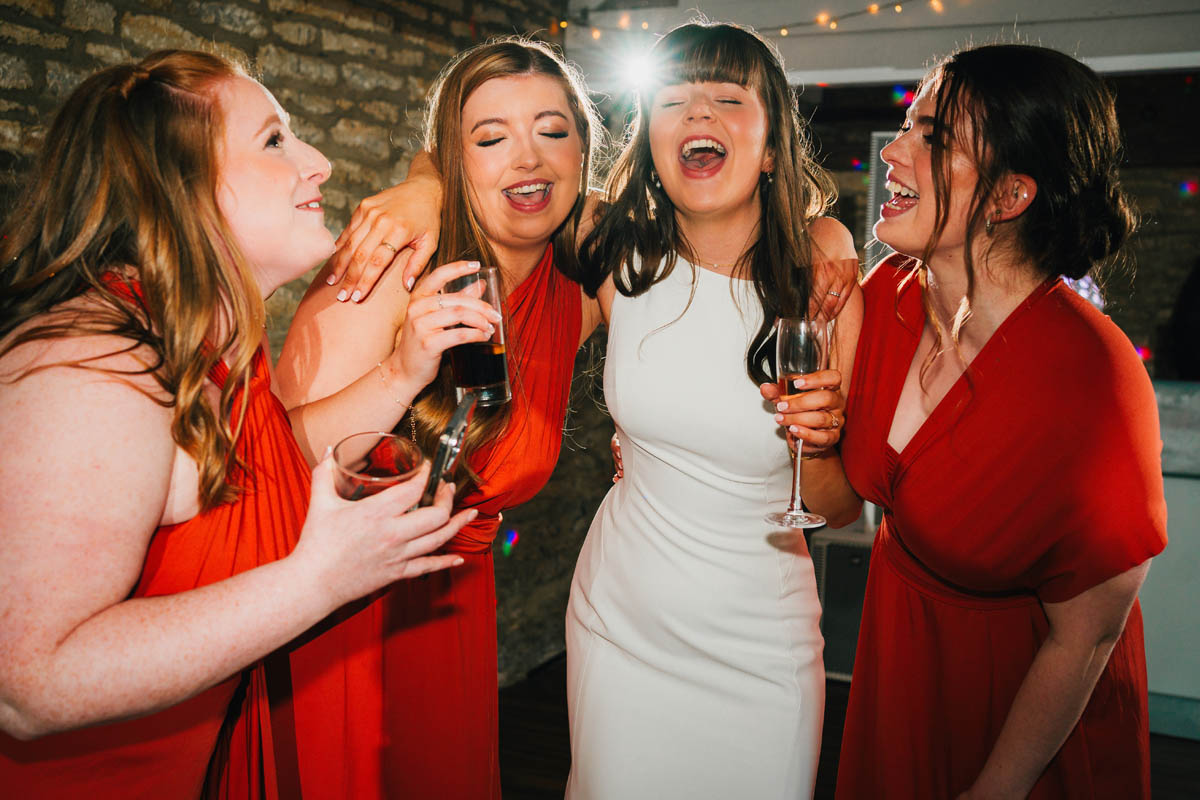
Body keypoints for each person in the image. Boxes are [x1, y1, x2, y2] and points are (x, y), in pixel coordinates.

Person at [0, 50, 473, 799]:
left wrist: (402, 373)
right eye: (275, 140)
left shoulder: (204, 339)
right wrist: (316, 581)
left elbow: (258, 471)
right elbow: (26, 683)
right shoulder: (93, 364)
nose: (316, 162)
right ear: (179, 181)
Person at [786, 44, 1167, 799]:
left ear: (1009, 196)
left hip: (1023, 709)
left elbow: (1088, 634)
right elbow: (833, 496)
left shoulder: (1092, 374)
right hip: (899, 662)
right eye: (906, 125)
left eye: (933, 138)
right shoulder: (887, 296)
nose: (894, 151)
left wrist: (997, 786)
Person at [275, 38, 604, 799]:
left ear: (583, 153)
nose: (527, 157)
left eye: (553, 131)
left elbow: (711, 249)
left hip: (458, 608)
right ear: (455, 161)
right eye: (491, 139)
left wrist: (826, 231)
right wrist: (424, 190)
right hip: (345, 617)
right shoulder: (397, 269)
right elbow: (275, 460)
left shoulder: (579, 291)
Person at [560, 22, 860, 798]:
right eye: (674, 100)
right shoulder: (610, 250)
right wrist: (420, 187)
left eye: (728, 98)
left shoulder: (823, 285)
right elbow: (487, 181)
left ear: (770, 148)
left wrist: (820, 446)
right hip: (620, 624)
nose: (699, 114)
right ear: (652, 143)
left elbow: (839, 511)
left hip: (760, 646)